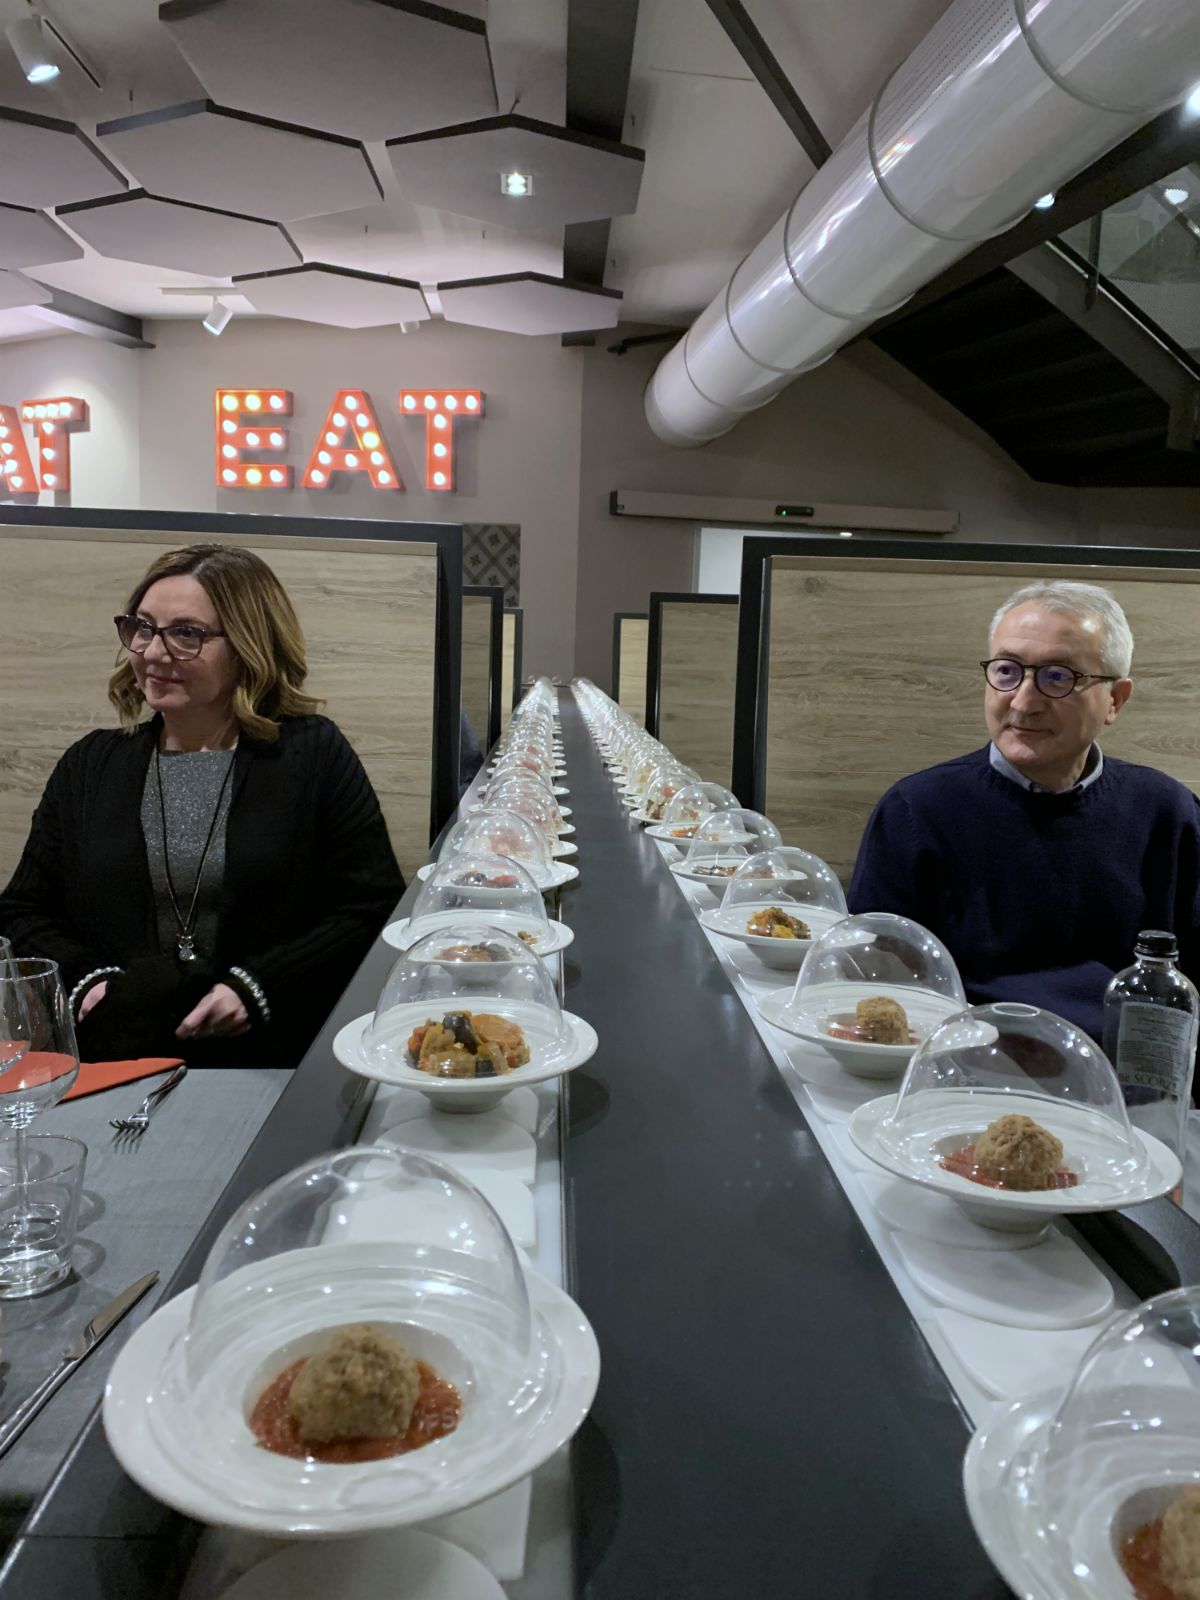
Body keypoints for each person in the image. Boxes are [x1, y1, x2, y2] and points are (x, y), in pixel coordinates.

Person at [0, 543, 404, 1067]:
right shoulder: (91, 765)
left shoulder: (310, 754)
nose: (154, 652)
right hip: (119, 1060)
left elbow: (372, 905)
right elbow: (24, 908)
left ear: (247, 646)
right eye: (143, 627)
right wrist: (87, 979)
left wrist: (258, 986)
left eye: (186, 634)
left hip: (273, 1060)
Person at [848, 579, 1200, 1041]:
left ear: (1115, 700)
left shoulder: (1167, 812)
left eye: (1058, 677)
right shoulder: (916, 810)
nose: (1024, 701)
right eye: (1007, 671)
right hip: (968, 1061)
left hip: (1131, 1068)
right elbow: (877, 986)